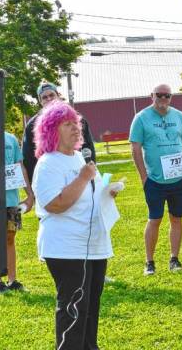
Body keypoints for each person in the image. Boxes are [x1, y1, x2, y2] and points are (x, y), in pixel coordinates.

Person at [32, 101, 118, 350]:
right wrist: (82, 178)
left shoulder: (80, 157)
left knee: (90, 307)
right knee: (73, 311)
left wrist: (106, 192)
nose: (76, 129)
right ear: (51, 130)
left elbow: (91, 191)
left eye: (76, 124)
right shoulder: (49, 163)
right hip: (67, 248)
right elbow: (54, 204)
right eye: (67, 124)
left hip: (93, 245)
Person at [130, 84, 182, 276]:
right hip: (155, 180)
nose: (164, 99)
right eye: (160, 95)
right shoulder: (141, 118)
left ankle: (174, 259)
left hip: (180, 178)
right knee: (155, 218)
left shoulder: (180, 116)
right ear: (152, 96)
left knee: (176, 218)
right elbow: (135, 149)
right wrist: (144, 177)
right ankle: (149, 262)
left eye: (168, 96)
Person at [22, 82, 96, 184]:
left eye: (52, 95)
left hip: (77, 171)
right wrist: (34, 183)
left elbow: (88, 147)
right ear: (40, 101)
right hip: (50, 174)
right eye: (44, 97)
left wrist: (91, 173)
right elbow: (28, 157)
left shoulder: (76, 118)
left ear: (58, 96)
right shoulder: (32, 125)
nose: (49, 99)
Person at [0, 131, 34, 292]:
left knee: (10, 238)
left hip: (11, 200)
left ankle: (12, 280)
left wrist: (29, 193)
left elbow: (20, 167)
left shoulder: (10, 138)